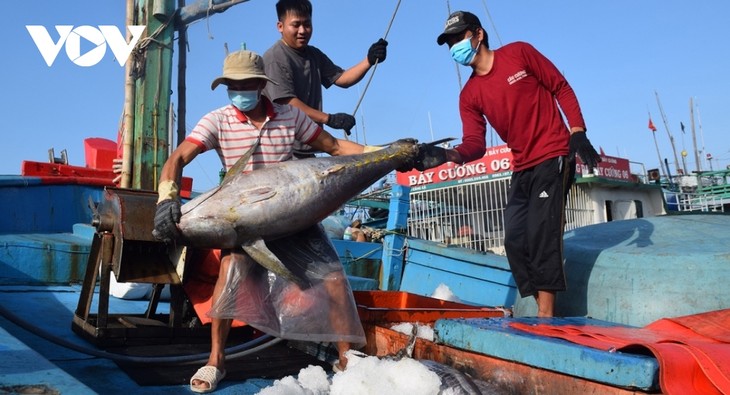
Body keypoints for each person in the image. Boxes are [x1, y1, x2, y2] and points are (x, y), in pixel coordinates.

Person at [152, 50, 376, 393]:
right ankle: (216, 361)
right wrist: (167, 196)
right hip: (245, 222)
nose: (237, 90)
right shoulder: (218, 120)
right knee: (229, 276)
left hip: (291, 217)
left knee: (333, 277)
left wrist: (388, 153)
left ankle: (347, 357)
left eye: (244, 84)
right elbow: (179, 157)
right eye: (231, 85)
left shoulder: (290, 117)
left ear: (260, 85)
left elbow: (333, 146)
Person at [416, 11, 602, 318]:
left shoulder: (519, 53)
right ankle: (540, 299)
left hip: (553, 153)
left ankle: (546, 316)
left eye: (458, 38)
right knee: (515, 240)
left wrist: (577, 130)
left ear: (478, 34)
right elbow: (475, 143)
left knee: (542, 232)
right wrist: (449, 155)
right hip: (522, 165)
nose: (454, 48)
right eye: (449, 43)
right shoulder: (469, 95)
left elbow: (561, 87)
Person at [262, 0, 387, 149]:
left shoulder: (313, 54)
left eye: (307, 24)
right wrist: (330, 119)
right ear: (280, 27)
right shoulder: (275, 58)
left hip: (308, 147)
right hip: (283, 150)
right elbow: (288, 103)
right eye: (296, 25)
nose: (302, 30)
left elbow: (342, 78)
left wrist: (369, 60)